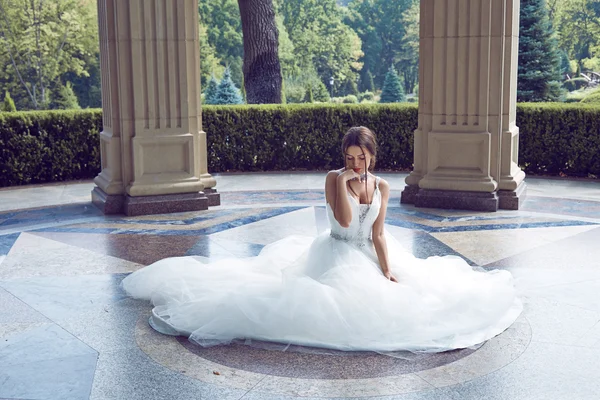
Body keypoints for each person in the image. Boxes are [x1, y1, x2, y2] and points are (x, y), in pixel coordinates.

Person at [122, 126, 522, 353]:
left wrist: (387, 269)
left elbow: (379, 233)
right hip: (336, 252)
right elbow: (346, 221)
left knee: (415, 296)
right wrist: (346, 180)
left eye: (361, 158)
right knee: (343, 311)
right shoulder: (334, 179)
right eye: (349, 157)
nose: (355, 163)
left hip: (370, 252)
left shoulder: (382, 186)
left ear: (372, 156)